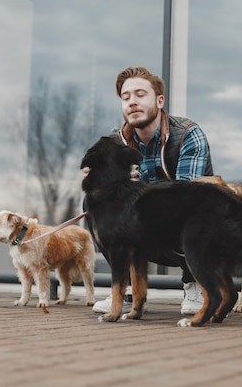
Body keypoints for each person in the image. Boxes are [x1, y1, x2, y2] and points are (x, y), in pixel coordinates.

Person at [91, 66, 214, 315]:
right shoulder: (114, 143)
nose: (132, 102)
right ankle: (124, 289)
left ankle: (196, 284)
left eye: (140, 95)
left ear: (159, 101)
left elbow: (183, 199)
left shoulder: (188, 135)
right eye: (126, 98)